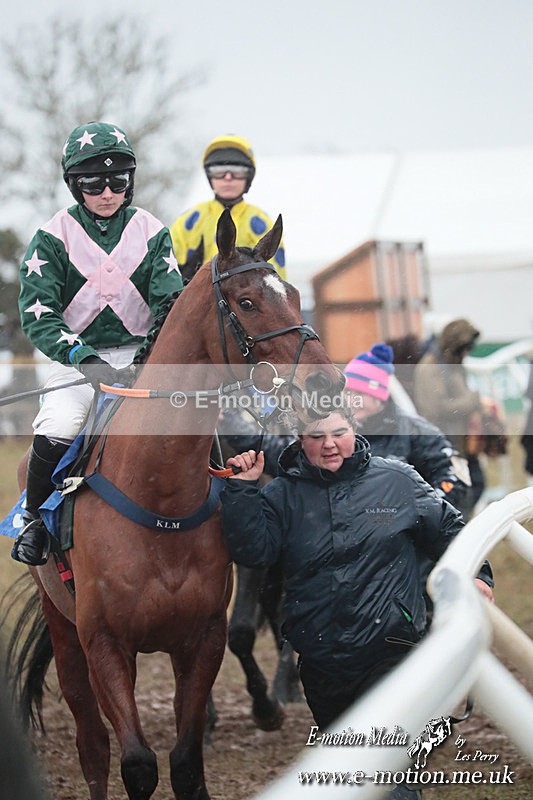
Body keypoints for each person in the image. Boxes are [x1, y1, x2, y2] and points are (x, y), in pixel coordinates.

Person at [220, 409, 494, 741]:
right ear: (299, 441)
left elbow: (449, 531)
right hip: (321, 662)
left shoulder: (397, 480)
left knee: (390, 767)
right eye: (316, 437)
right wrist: (242, 491)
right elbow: (254, 552)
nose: (330, 445)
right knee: (351, 767)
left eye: (339, 433)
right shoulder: (282, 494)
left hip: (392, 648)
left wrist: (478, 574)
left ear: (354, 429)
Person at [11, 120, 184, 566]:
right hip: (73, 357)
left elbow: (170, 306)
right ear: (74, 186)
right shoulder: (52, 237)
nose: (107, 193)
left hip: (142, 356)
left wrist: (145, 360)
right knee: (60, 424)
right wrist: (83, 358)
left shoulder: (152, 231)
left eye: (117, 181)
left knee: (192, 424)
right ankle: (33, 520)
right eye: (93, 183)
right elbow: (39, 316)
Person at [343, 343, 470, 517]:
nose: (351, 401)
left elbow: (454, 478)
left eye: (359, 395)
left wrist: (419, 515)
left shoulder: (416, 431)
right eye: (347, 393)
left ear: (380, 398)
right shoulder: (333, 433)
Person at [169, 134, 286, 279]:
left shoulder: (263, 223)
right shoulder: (186, 221)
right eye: (219, 171)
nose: (228, 178)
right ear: (209, 175)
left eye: (237, 171)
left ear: (249, 176)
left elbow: (277, 281)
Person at [413, 318, 485, 519]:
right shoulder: (430, 367)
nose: (466, 352)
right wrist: (473, 401)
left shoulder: (451, 363)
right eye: (464, 347)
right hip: (442, 446)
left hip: (458, 442)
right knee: (458, 495)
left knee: (475, 485)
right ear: (454, 344)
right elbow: (435, 410)